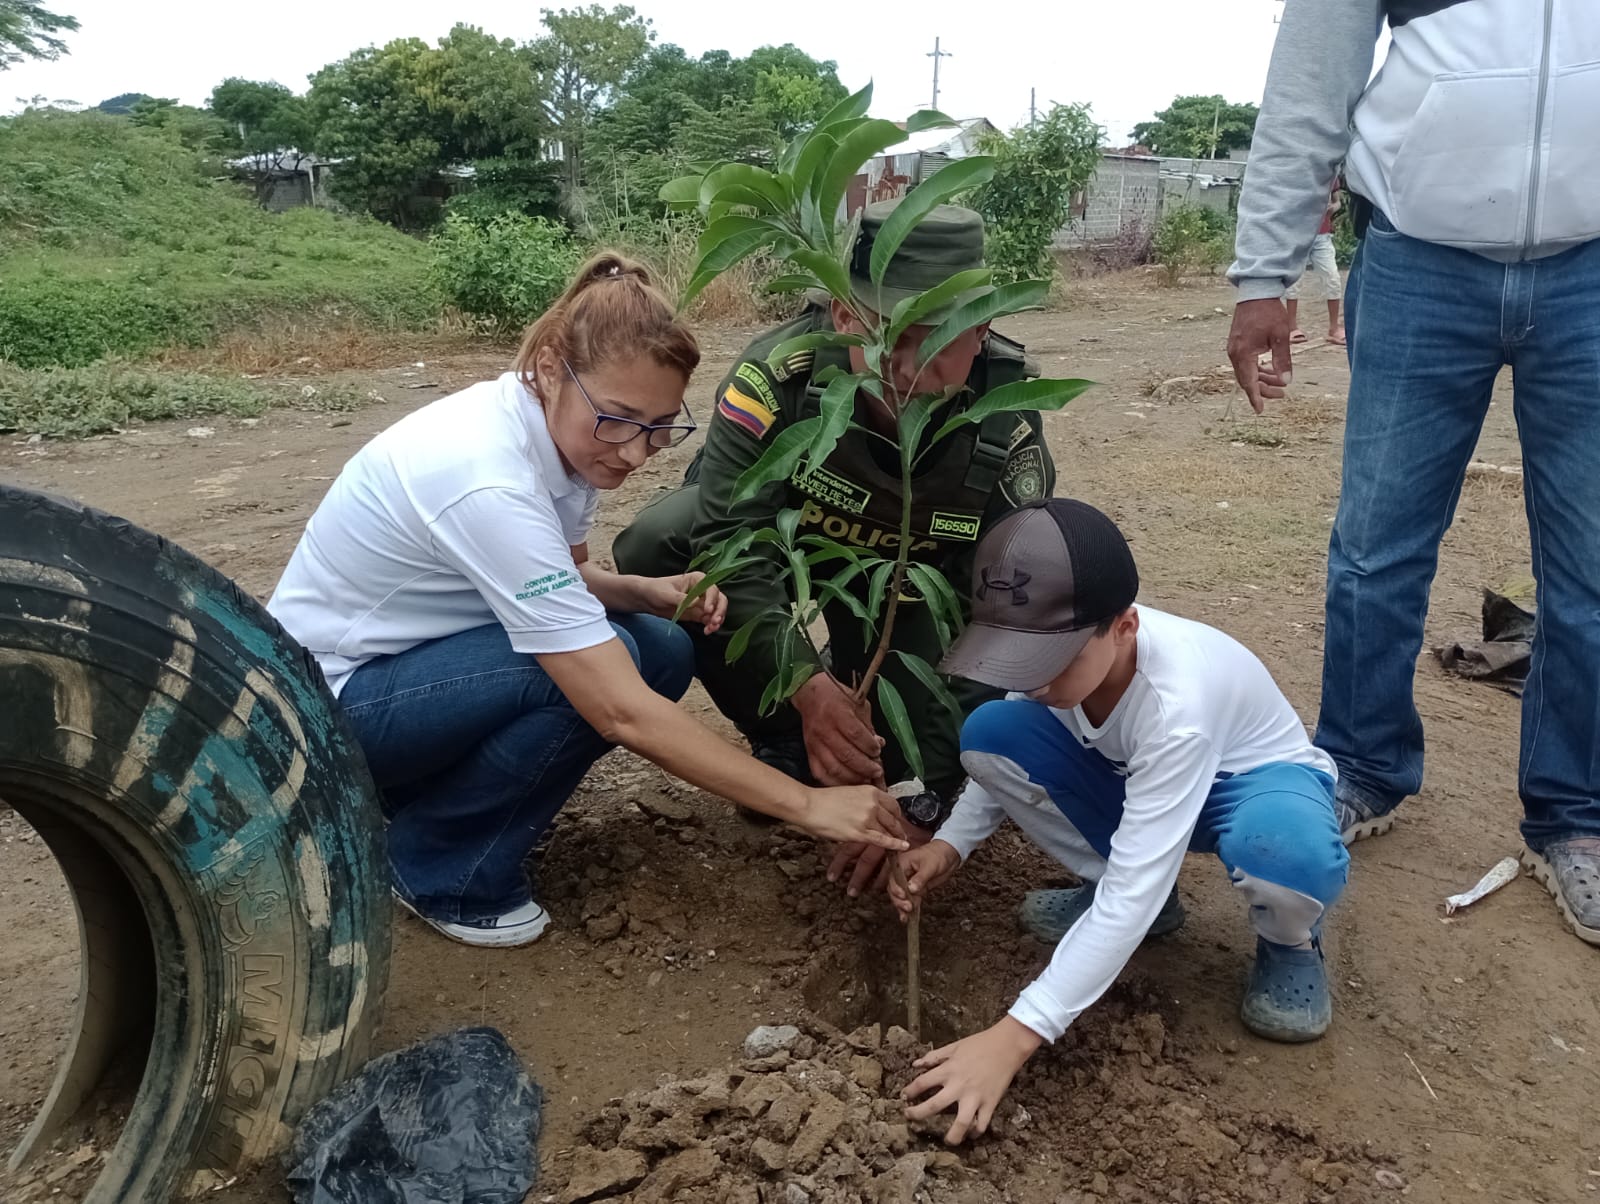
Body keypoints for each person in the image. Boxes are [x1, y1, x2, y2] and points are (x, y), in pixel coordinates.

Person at [268, 253, 907, 949]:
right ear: (549, 368)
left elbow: (566, 573)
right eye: (620, 420)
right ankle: (437, 866)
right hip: (318, 714)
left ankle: (421, 801)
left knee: (659, 645)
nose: (636, 454)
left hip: (404, 671)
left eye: (661, 427)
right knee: (584, 676)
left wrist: (640, 591)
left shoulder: (556, 435)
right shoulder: (486, 478)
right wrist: (810, 804)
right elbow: (618, 710)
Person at [1225, 0, 1600, 947]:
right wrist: (1262, 273)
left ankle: (1575, 813)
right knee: (1376, 550)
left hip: (1593, 272)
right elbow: (1310, 83)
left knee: (1593, 573)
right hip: (1420, 263)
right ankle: (1360, 763)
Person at [612, 200, 1056, 871]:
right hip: (791, 552)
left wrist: (925, 795)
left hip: (911, 590)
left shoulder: (1005, 416)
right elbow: (731, 536)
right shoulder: (777, 378)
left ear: (983, 327)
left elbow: (1004, 612)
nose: (909, 369)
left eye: (940, 339)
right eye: (890, 336)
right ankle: (786, 740)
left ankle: (892, 753)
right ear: (845, 316)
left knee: (912, 769)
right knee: (659, 544)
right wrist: (807, 691)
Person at [888, 499, 1349, 1143]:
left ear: (1125, 628)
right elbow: (1006, 762)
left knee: (1284, 854)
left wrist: (1015, 1036)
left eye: (1055, 661)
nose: (1037, 680)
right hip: (1140, 783)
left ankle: (1290, 944)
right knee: (993, 732)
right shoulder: (1051, 659)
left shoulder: (1177, 707)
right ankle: (1139, 900)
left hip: (1247, 790)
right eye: (1019, 659)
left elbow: (1136, 884)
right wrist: (949, 848)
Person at [1285, 182, 1343, 346]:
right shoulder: (1298, 171)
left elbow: (1337, 201)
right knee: (1294, 281)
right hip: (1299, 235)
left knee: (1333, 278)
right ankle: (1291, 327)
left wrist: (1332, 208)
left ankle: (1334, 328)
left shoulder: (1331, 173)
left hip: (1322, 236)